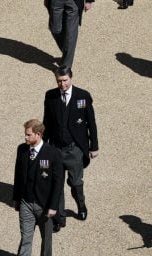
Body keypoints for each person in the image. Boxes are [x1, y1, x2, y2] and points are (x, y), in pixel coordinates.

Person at [8, 119, 63, 256]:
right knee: (26, 239)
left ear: (38, 135)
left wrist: (53, 206)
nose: (25, 137)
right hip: (26, 203)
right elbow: (18, 175)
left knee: (46, 238)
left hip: (45, 206)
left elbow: (58, 183)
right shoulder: (22, 150)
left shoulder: (53, 153)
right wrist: (17, 199)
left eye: (28, 134)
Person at [43, 66, 98, 232]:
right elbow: (47, 121)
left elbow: (91, 123)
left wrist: (94, 146)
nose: (62, 84)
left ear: (71, 78)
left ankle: (81, 206)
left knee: (75, 182)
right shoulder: (50, 96)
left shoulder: (83, 96)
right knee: (56, 185)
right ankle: (59, 219)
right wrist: (43, 146)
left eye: (65, 80)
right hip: (56, 149)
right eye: (59, 81)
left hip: (74, 150)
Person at [44, 0, 95, 68]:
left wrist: (89, 1)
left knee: (70, 34)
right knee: (55, 29)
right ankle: (67, 52)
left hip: (74, 2)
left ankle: (66, 68)